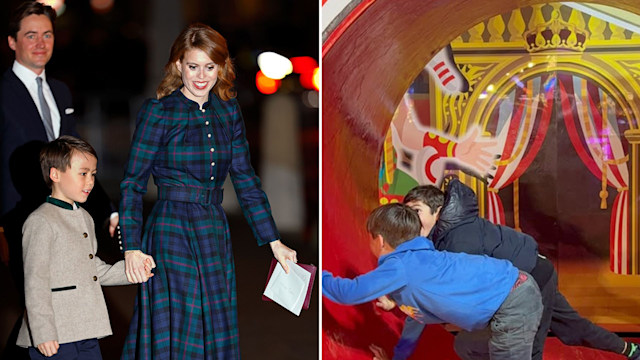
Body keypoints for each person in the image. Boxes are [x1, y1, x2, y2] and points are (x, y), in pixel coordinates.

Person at [119, 23, 298, 359]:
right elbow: (132, 183)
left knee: (214, 324)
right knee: (182, 325)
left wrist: (273, 241)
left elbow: (245, 178)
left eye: (209, 67)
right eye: (193, 66)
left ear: (221, 67)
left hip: (212, 229)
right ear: (177, 66)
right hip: (170, 230)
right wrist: (131, 246)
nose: (201, 76)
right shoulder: (158, 112)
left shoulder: (227, 111)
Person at [402, 178, 640, 360]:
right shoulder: (444, 235)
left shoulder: (458, 239)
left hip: (533, 280)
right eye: (407, 213)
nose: (410, 219)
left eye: (416, 211)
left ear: (439, 210)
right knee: (574, 327)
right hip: (534, 273)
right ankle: (630, 350)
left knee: (526, 349)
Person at [323, 203, 543, 360]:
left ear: (379, 241)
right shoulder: (420, 263)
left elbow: (348, 292)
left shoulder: (400, 265)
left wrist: (314, 275)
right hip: (515, 293)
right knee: (467, 346)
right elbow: (420, 315)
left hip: (513, 302)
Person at [16, 136, 154, 360]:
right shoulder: (41, 221)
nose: (90, 182)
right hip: (55, 335)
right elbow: (35, 282)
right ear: (55, 174)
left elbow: (93, 270)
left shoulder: (85, 218)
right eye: (83, 173)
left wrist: (132, 271)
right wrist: (43, 332)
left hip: (87, 331)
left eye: (93, 174)